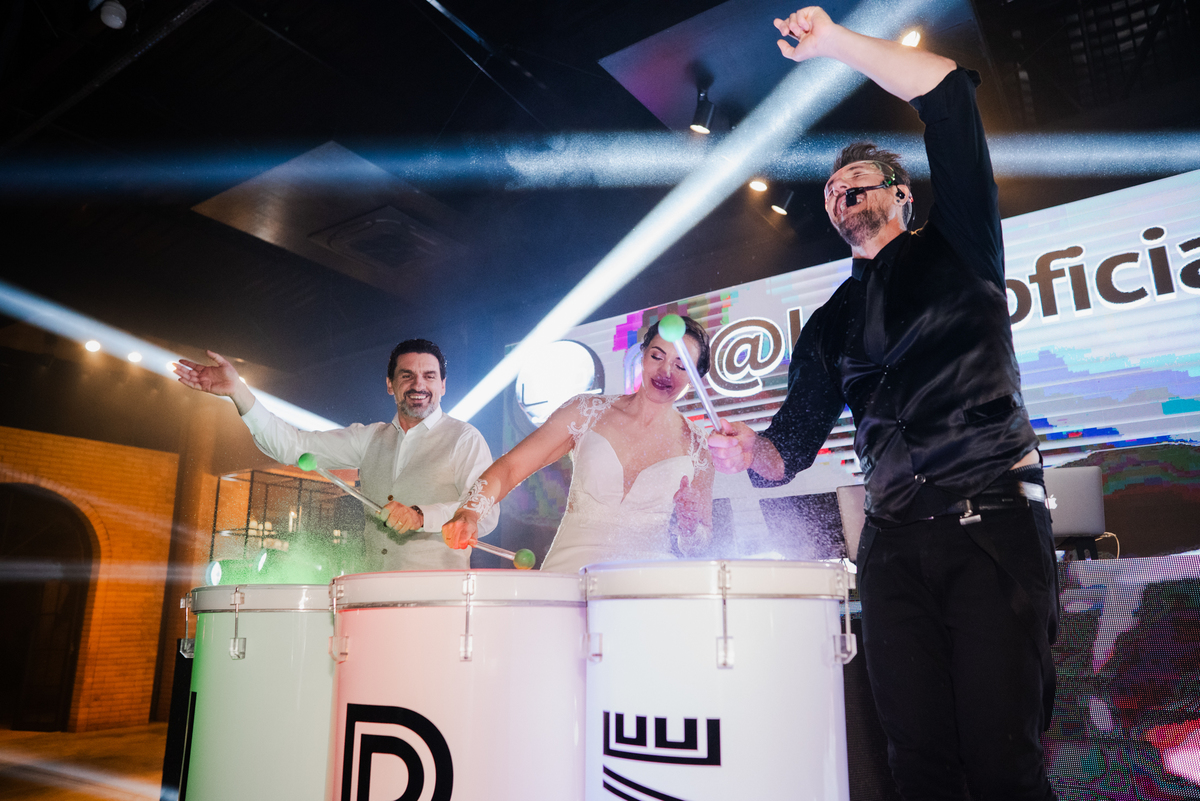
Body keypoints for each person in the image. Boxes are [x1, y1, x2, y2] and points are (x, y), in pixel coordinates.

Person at [708, 8, 1057, 800]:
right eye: (831, 193)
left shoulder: (960, 241)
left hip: (991, 525)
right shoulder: (829, 322)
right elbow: (788, 449)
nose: (839, 196)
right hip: (893, 549)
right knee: (916, 765)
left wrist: (833, 44)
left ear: (900, 194)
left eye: (855, 183)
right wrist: (748, 450)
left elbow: (947, 94)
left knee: (1003, 761)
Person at [175, 339, 499, 571]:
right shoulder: (369, 438)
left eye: (429, 376)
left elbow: (486, 514)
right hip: (372, 596)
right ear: (390, 384)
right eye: (407, 375)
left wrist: (421, 514)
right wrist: (239, 392)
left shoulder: (464, 439)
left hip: (440, 601)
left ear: (443, 385)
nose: (419, 384)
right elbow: (292, 446)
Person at [442, 318, 714, 573]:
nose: (665, 371)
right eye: (657, 356)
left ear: (696, 377)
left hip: (647, 584)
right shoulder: (586, 411)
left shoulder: (699, 446)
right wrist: (469, 511)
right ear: (642, 355)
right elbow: (512, 467)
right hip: (570, 574)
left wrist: (690, 527)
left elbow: (699, 542)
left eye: (681, 366)